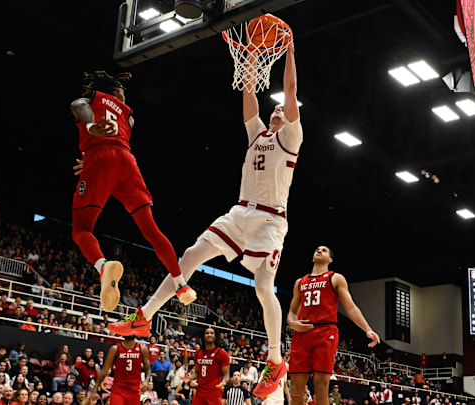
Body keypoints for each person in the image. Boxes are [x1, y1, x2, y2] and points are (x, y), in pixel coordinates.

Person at [108, 28, 301, 400]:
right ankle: (144, 316)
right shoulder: (257, 134)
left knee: (263, 287)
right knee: (190, 256)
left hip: (271, 221)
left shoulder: (291, 137)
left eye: (282, 109)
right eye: (274, 107)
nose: (277, 108)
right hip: (240, 212)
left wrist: (289, 50)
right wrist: (250, 58)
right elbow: (249, 95)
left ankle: (276, 360)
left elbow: (290, 92)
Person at [69, 70, 196, 312]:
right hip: (127, 163)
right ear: (114, 91)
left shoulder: (92, 100)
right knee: (151, 229)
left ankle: (103, 267)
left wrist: (91, 127)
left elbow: (77, 104)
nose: (125, 98)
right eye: (122, 92)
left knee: (82, 229)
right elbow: (118, 143)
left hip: (100, 158)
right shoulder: (129, 116)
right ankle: (181, 284)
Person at [288, 246, 380, 405]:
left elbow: (351, 307)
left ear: (330, 259)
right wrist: (292, 323)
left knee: (321, 386)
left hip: (325, 331)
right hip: (302, 334)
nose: (318, 250)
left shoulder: (336, 278)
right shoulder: (300, 282)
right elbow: (292, 313)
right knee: (296, 386)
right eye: (317, 249)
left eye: (323, 250)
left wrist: (367, 329)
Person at [89, 335, 151, 405]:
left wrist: (146, 380)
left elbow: (148, 369)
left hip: (135, 389)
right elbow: (104, 370)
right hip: (119, 388)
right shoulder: (115, 348)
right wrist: (95, 388)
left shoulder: (142, 349)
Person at [182, 328, 230, 405]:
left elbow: (226, 374)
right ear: (203, 336)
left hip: (214, 392)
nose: (209, 335)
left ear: (215, 336)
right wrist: (189, 378)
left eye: (211, 333)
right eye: (207, 333)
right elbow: (197, 373)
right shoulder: (198, 352)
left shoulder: (221, 353)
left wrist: (223, 381)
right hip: (200, 392)